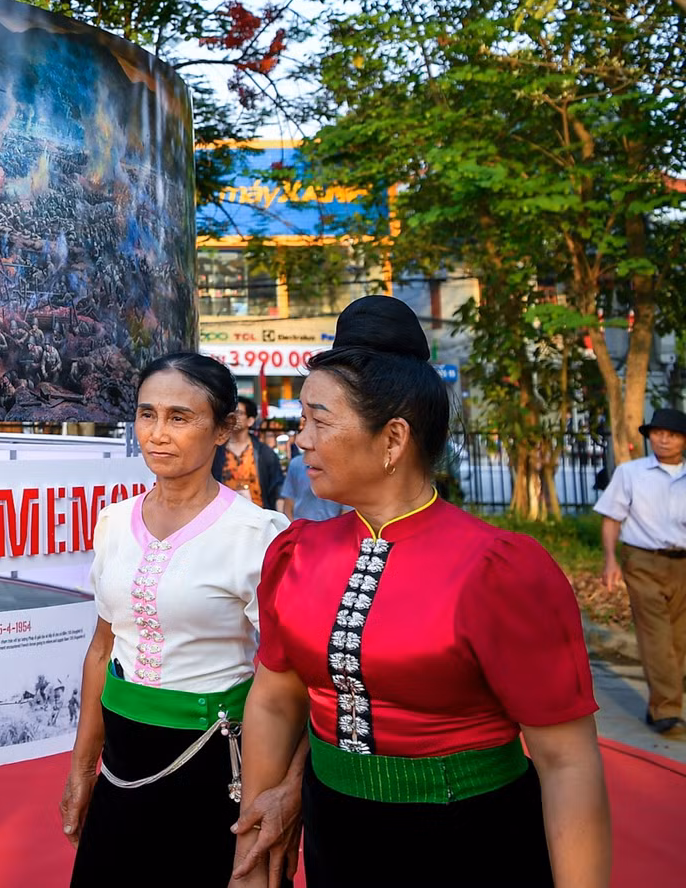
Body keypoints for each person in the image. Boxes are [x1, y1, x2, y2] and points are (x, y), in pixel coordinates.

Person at [234, 295, 610, 888]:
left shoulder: (498, 569)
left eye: (317, 420)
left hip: (471, 841)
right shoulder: (296, 552)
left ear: (393, 439)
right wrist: (253, 847)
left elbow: (567, 761)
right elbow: (276, 700)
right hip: (337, 835)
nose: (300, 440)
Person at [60, 353, 295, 887]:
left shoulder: (256, 534)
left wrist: (283, 789)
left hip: (217, 762)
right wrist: (81, 770)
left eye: (180, 418)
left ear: (223, 428)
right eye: (147, 415)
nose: (158, 434)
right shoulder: (114, 522)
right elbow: (103, 649)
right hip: (122, 763)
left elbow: (288, 680)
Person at [596, 406, 686, 737]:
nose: (664, 439)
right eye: (658, 433)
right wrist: (610, 560)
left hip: (682, 563)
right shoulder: (631, 473)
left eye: (673, 434)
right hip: (643, 561)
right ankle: (668, 711)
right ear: (649, 437)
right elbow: (611, 517)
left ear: (683, 441)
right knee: (656, 636)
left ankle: (658, 706)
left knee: (679, 641)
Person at [211, 397, 285, 509]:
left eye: (239, 413)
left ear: (250, 420)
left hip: (258, 516)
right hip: (224, 515)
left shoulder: (264, 453)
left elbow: (277, 488)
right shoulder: (216, 451)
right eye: (231, 413)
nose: (234, 417)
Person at [278, 433, 349, 523]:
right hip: (300, 530)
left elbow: (346, 512)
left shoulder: (343, 470)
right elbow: (288, 506)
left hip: (331, 532)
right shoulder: (296, 465)